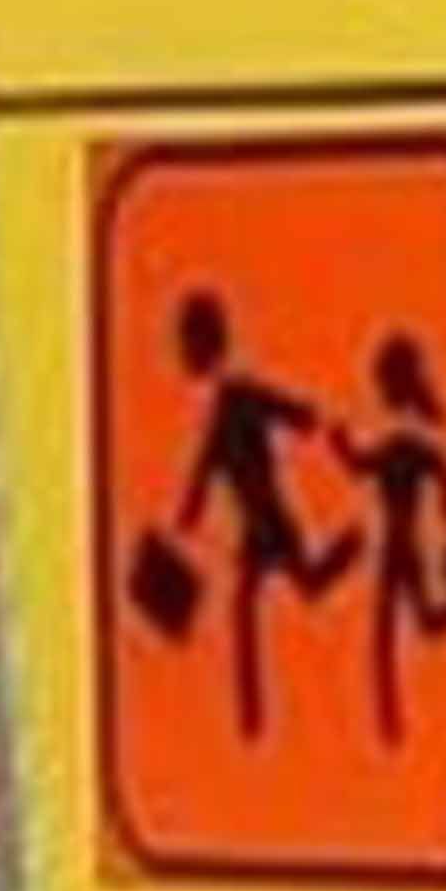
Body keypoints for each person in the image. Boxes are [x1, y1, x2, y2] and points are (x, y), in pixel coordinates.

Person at [162, 289, 362, 742]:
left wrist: (309, 417)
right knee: (255, 606)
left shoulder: (240, 396)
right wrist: (189, 512)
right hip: (255, 528)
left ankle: (352, 546)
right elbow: (207, 465)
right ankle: (251, 719)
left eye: (189, 344)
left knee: (304, 588)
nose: (184, 355)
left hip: (272, 519)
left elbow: (281, 408)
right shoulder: (221, 407)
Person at [333, 332, 446, 747]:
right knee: (405, 627)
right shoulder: (407, 444)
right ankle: (390, 724)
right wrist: (341, 444)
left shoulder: (406, 444)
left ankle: (391, 725)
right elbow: (363, 465)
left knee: (401, 629)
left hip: (402, 547)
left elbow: (365, 464)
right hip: (397, 546)